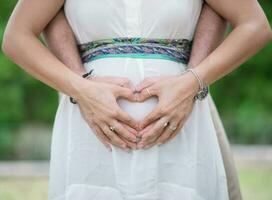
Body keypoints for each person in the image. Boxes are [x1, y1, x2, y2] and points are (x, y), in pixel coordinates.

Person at [2, 0, 271, 199]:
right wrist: (82, 90)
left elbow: (255, 25)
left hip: (182, 130)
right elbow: (17, 36)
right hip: (92, 135)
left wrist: (191, 83)